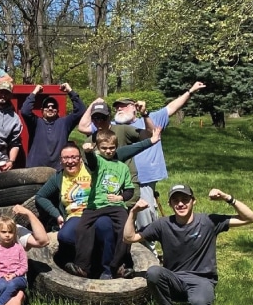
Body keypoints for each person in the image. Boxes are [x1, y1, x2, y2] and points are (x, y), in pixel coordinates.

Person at [125, 185, 253, 305]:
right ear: (170, 204)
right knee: (153, 272)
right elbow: (129, 238)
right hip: (174, 280)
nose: (180, 204)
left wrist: (227, 198)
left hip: (201, 280)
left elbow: (251, 218)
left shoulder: (208, 221)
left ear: (193, 201)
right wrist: (133, 212)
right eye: (175, 200)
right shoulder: (163, 225)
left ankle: (196, 300)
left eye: (185, 199)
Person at [86, 82, 207, 233]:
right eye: (117, 107)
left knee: (144, 216)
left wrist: (190, 91)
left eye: (123, 106)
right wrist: (94, 104)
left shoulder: (151, 117)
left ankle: (149, 249)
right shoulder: (109, 125)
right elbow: (83, 127)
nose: (119, 109)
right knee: (122, 219)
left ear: (134, 107)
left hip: (144, 178)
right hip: (118, 179)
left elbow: (172, 107)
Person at [65, 128, 161, 279]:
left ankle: (117, 265)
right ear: (98, 148)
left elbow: (129, 189)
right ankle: (83, 266)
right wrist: (89, 152)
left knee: (125, 230)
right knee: (82, 228)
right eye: (104, 148)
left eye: (111, 148)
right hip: (95, 205)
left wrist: (121, 198)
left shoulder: (122, 167)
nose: (108, 151)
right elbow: (91, 162)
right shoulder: (98, 161)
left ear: (116, 147)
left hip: (116, 206)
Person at [19, 83, 86, 169]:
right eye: (47, 106)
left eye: (53, 107)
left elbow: (81, 110)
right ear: (42, 110)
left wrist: (70, 91)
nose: (50, 108)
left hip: (57, 171)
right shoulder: (35, 122)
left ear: (57, 111)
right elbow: (25, 111)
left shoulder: (64, 123)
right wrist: (34, 93)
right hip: (35, 170)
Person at [0, 216, 28, 305]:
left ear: (14, 232)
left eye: (10, 232)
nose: (7, 235)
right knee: (1, 285)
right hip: (2, 277)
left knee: (12, 284)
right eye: (4, 232)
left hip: (18, 278)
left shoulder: (19, 248)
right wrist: (3, 275)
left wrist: (14, 275)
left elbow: (24, 267)